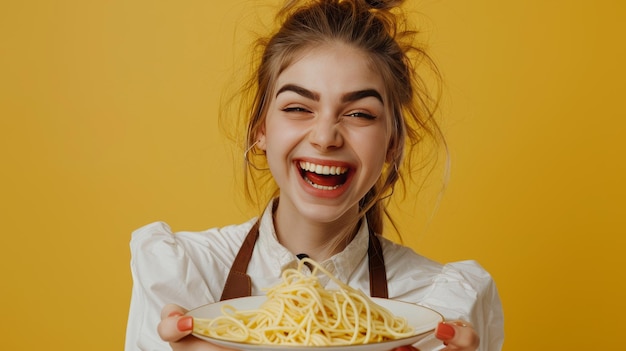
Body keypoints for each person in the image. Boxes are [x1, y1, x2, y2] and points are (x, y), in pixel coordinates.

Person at [124, 0, 504, 350]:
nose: (325, 137)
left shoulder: (436, 305)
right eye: (297, 107)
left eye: (359, 114)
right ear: (261, 130)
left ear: (392, 143)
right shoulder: (186, 278)